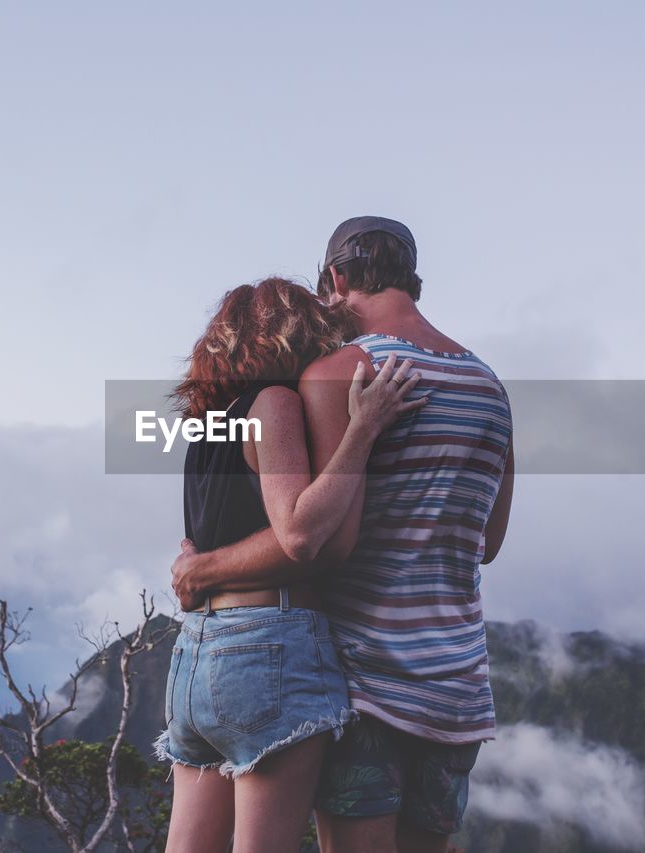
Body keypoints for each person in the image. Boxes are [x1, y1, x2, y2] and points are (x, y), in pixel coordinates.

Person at [172, 217, 514, 853]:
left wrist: (206, 568)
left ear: (336, 279)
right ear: (415, 280)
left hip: (366, 681)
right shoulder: (488, 386)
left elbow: (324, 542)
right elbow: (488, 543)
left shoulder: (340, 373)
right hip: (457, 684)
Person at [158, 276, 427, 853]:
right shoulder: (273, 403)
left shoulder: (208, 424)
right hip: (268, 649)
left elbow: (196, 541)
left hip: (195, 655)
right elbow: (301, 531)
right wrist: (363, 429)